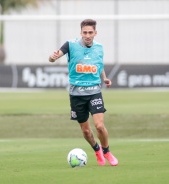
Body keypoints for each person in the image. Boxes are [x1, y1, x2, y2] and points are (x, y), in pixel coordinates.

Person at [49, 19, 118, 166]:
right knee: (86, 131)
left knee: (99, 126)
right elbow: (55, 56)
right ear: (81, 32)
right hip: (76, 95)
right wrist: (52, 57)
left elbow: (98, 65)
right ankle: (97, 149)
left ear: (95, 33)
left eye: (90, 32)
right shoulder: (71, 45)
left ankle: (107, 151)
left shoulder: (99, 47)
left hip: (94, 91)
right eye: (85, 32)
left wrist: (105, 78)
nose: (87, 35)